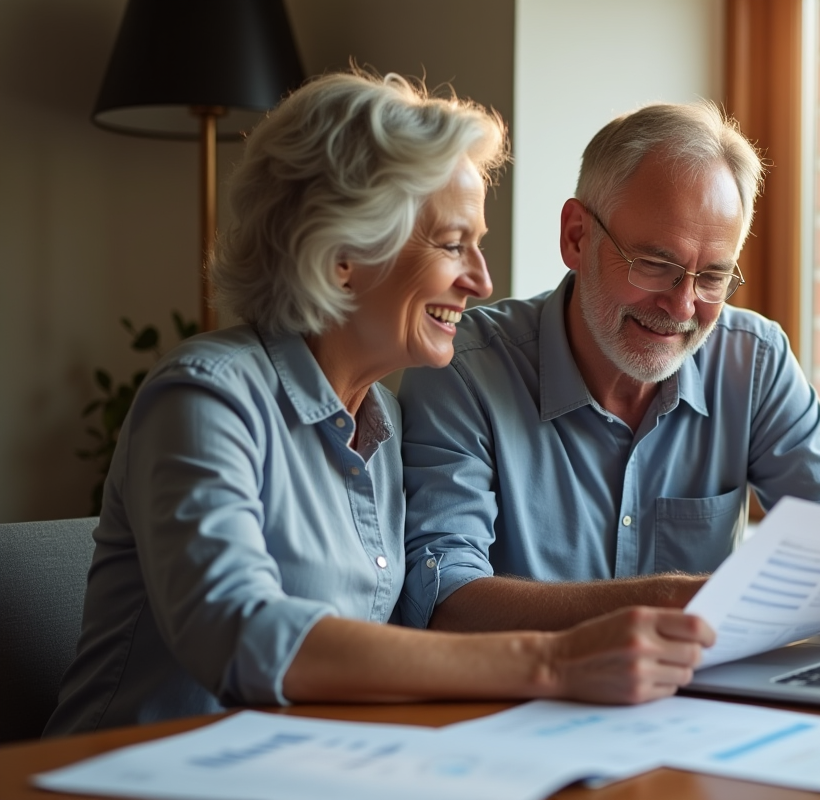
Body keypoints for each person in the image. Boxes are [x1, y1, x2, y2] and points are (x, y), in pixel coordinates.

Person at [44, 71, 714, 737]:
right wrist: (551, 659)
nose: (481, 280)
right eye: (454, 245)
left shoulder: (381, 423)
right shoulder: (205, 397)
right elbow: (242, 634)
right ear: (342, 254)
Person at [398, 101, 820, 644]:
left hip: (706, 712)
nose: (683, 306)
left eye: (712, 276)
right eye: (656, 265)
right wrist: (673, 600)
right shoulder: (461, 368)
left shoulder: (752, 359)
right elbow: (445, 598)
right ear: (576, 237)